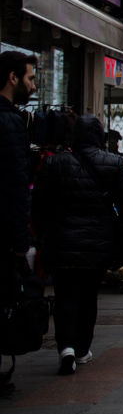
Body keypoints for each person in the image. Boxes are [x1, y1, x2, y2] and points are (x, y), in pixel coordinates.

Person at [33, 114, 123, 374]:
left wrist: (42, 236)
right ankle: (81, 348)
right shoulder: (113, 163)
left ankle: (66, 347)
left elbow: (39, 204)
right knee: (89, 296)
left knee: (64, 294)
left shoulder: (54, 163)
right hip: (97, 242)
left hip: (62, 241)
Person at [0, 52, 37, 263]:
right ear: (13, 78)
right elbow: (15, 185)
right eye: (30, 78)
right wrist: (21, 241)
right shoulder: (10, 122)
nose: (33, 87)